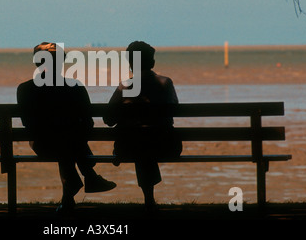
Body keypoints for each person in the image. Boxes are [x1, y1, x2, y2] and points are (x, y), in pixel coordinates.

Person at [17, 42, 116, 214]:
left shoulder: (25, 89)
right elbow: (88, 122)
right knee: (67, 139)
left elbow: (27, 122)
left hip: (43, 145)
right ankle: (89, 177)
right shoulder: (75, 87)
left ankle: (72, 194)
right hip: (73, 144)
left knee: (62, 142)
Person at [103, 41, 182, 212]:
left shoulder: (125, 86)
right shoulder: (166, 83)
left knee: (140, 140)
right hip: (167, 145)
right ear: (152, 62)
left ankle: (149, 199)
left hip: (130, 147)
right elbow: (174, 109)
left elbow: (108, 119)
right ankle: (149, 200)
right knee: (146, 139)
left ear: (130, 64)